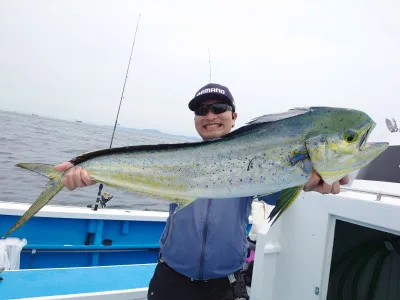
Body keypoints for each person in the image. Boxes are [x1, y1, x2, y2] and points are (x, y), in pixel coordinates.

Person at [55, 83, 349, 300]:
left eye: (219, 108)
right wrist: (88, 170)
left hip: (226, 284)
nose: (210, 115)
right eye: (201, 110)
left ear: (234, 116)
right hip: (171, 278)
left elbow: (280, 190)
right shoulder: (179, 156)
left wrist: (312, 184)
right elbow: (136, 170)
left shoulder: (257, 159)